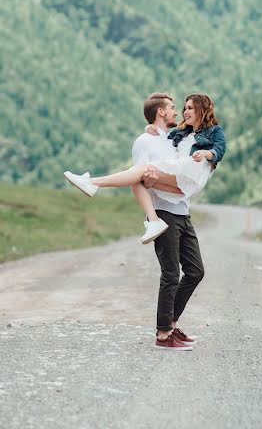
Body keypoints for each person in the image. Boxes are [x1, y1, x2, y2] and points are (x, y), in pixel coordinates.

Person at [65, 92, 224, 351]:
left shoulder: (172, 139)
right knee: (171, 273)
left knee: (196, 272)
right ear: (161, 112)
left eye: (184, 108)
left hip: (183, 212)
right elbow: (136, 180)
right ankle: (163, 334)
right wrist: (152, 213)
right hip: (164, 214)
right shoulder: (144, 142)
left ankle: (171, 323)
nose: (179, 112)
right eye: (175, 108)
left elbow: (186, 167)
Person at [63, 92, 225, 245]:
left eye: (189, 108)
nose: (183, 112)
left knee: (139, 171)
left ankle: (92, 182)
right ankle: (153, 221)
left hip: (192, 172)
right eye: (183, 108)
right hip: (183, 184)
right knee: (138, 176)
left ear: (201, 108)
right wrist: (149, 128)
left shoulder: (214, 130)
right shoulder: (182, 133)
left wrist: (206, 153)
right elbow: (165, 136)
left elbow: (219, 150)